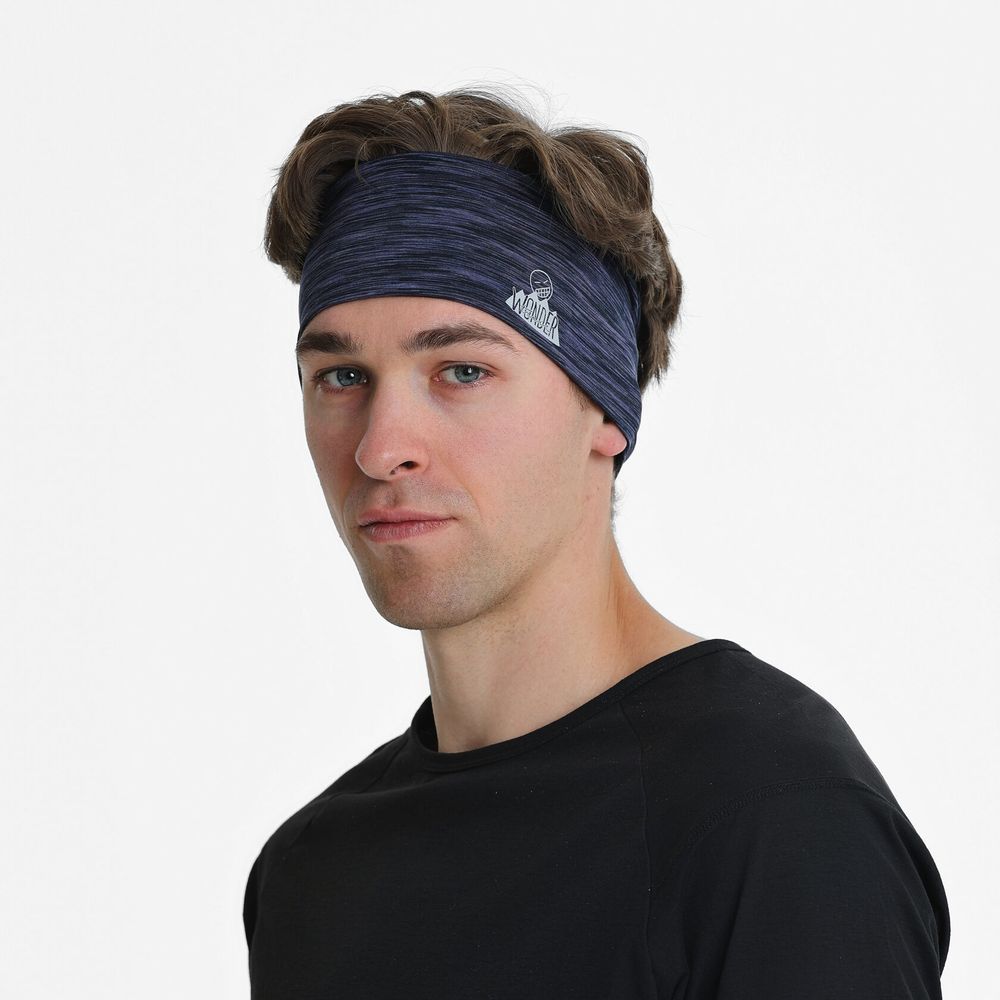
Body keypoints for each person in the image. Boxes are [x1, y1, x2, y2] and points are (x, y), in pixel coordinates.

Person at [242, 86, 950, 999]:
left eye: (462, 370)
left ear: (603, 410)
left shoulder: (773, 819)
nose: (381, 449)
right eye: (341, 377)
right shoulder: (311, 876)